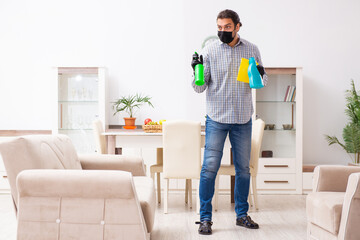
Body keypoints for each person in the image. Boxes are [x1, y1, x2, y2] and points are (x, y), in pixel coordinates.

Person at [191, 9, 268, 235]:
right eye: (219, 27)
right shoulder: (210, 50)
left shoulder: (252, 49)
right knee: (209, 170)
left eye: (227, 27)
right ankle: (205, 218)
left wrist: (262, 73)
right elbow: (199, 87)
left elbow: (259, 83)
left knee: (243, 170)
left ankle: (242, 216)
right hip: (216, 118)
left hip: (243, 119)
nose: (222, 31)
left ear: (237, 26)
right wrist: (196, 69)